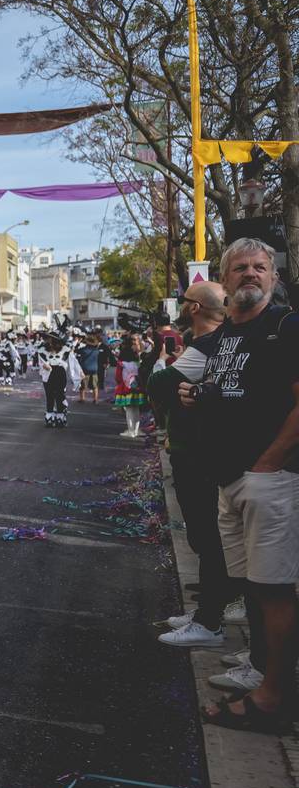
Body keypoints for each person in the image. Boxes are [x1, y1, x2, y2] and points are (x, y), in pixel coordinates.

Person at [175, 238, 299, 733]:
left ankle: (274, 699)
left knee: (273, 590)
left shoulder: (285, 327)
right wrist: (195, 396)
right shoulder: (228, 334)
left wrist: (269, 462)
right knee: (254, 587)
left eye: (259, 267)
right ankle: (264, 676)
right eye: (240, 269)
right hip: (231, 481)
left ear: (272, 276)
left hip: (269, 481)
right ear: (224, 282)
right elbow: (232, 392)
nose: (250, 274)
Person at [153, 281, 234, 648]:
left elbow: (157, 387)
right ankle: (210, 608)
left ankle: (210, 618)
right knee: (209, 535)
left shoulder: (204, 347)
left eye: (185, 302)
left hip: (197, 455)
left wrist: (163, 362)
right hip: (201, 451)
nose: (180, 306)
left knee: (206, 535)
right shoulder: (217, 343)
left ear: (195, 309)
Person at [36, 332, 80, 429]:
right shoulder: (42, 350)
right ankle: (50, 417)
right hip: (48, 374)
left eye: (50, 339)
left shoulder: (65, 350)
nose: (47, 341)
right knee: (49, 395)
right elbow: (41, 363)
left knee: (60, 395)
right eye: (47, 339)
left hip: (60, 373)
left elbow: (73, 362)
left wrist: (78, 374)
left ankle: (60, 417)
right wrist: (44, 366)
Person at [114, 335, 146, 437]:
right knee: (136, 410)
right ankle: (136, 430)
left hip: (125, 388)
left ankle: (130, 431)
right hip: (137, 388)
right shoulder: (137, 362)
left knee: (129, 410)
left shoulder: (121, 363)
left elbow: (118, 377)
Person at [76, 335, 102, 402]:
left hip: (85, 369)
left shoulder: (84, 350)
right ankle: (95, 399)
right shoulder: (96, 350)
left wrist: (78, 343)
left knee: (83, 385)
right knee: (95, 386)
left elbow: (75, 350)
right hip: (94, 369)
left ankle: (82, 399)